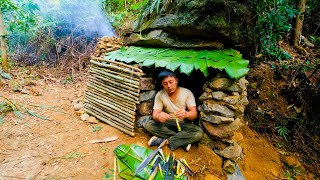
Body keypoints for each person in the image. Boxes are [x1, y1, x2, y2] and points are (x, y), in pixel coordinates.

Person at [137, 70, 203, 151]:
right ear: (162, 84)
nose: (169, 86)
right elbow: (155, 115)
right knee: (148, 124)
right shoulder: (160, 95)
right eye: (165, 83)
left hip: (183, 124)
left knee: (198, 133)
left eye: (171, 82)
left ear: (176, 80)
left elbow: (194, 114)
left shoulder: (187, 93)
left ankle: (164, 140)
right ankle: (183, 140)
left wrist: (186, 114)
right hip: (167, 124)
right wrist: (158, 116)